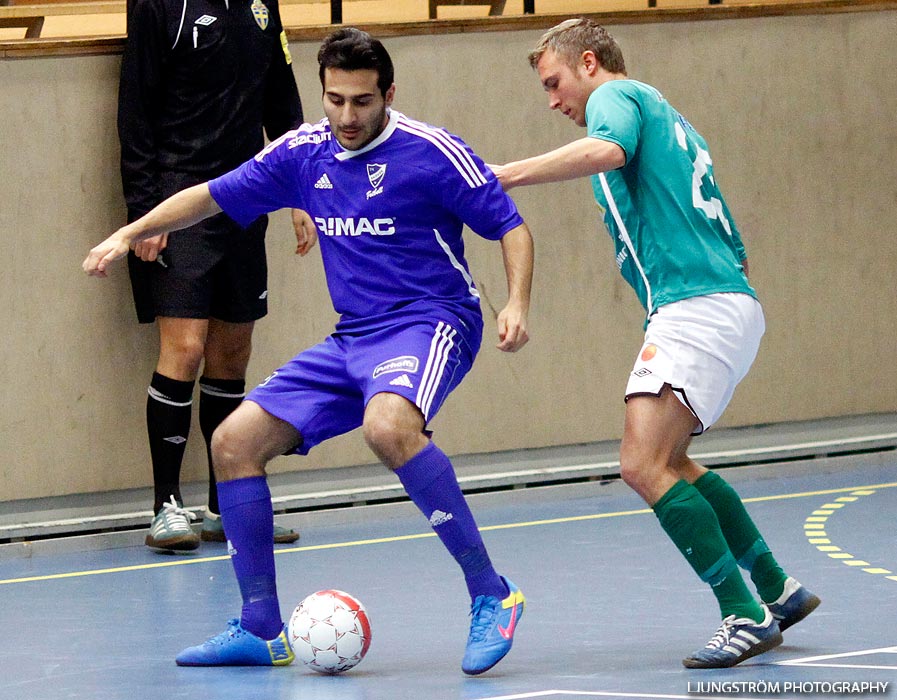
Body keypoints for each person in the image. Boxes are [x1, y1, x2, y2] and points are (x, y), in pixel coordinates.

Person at [85, 27, 533, 675]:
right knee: (234, 442)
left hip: (431, 322)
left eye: (361, 101)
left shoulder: (431, 152)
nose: (346, 116)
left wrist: (516, 302)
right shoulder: (302, 153)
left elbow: (509, 225)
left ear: (388, 95)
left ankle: (493, 593)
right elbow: (209, 196)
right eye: (334, 100)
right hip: (352, 337)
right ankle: (261, 628)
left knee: (388, 426)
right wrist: (132, 231)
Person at [491, 18, 820, 669]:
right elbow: (731, 239)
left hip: (693, 308)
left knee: (642, 464)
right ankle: (776, 587)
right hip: (724, 303)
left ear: (589, 62)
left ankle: (742, 613)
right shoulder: (670, 116)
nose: (553, 101)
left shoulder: (616, 99)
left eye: (554, 83)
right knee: (671, 463)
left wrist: (505, 174)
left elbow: (606, 150)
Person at [117, 0, 307, 550]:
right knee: (186, 349)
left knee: (232, 354)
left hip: (246, 198)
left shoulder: (261, 6)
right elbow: (135, 111)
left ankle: (227, 505)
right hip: (179, 200)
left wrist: (301, 189)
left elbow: (281, 97)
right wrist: (145, 212)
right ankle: (165, 506)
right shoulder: (159, 6)